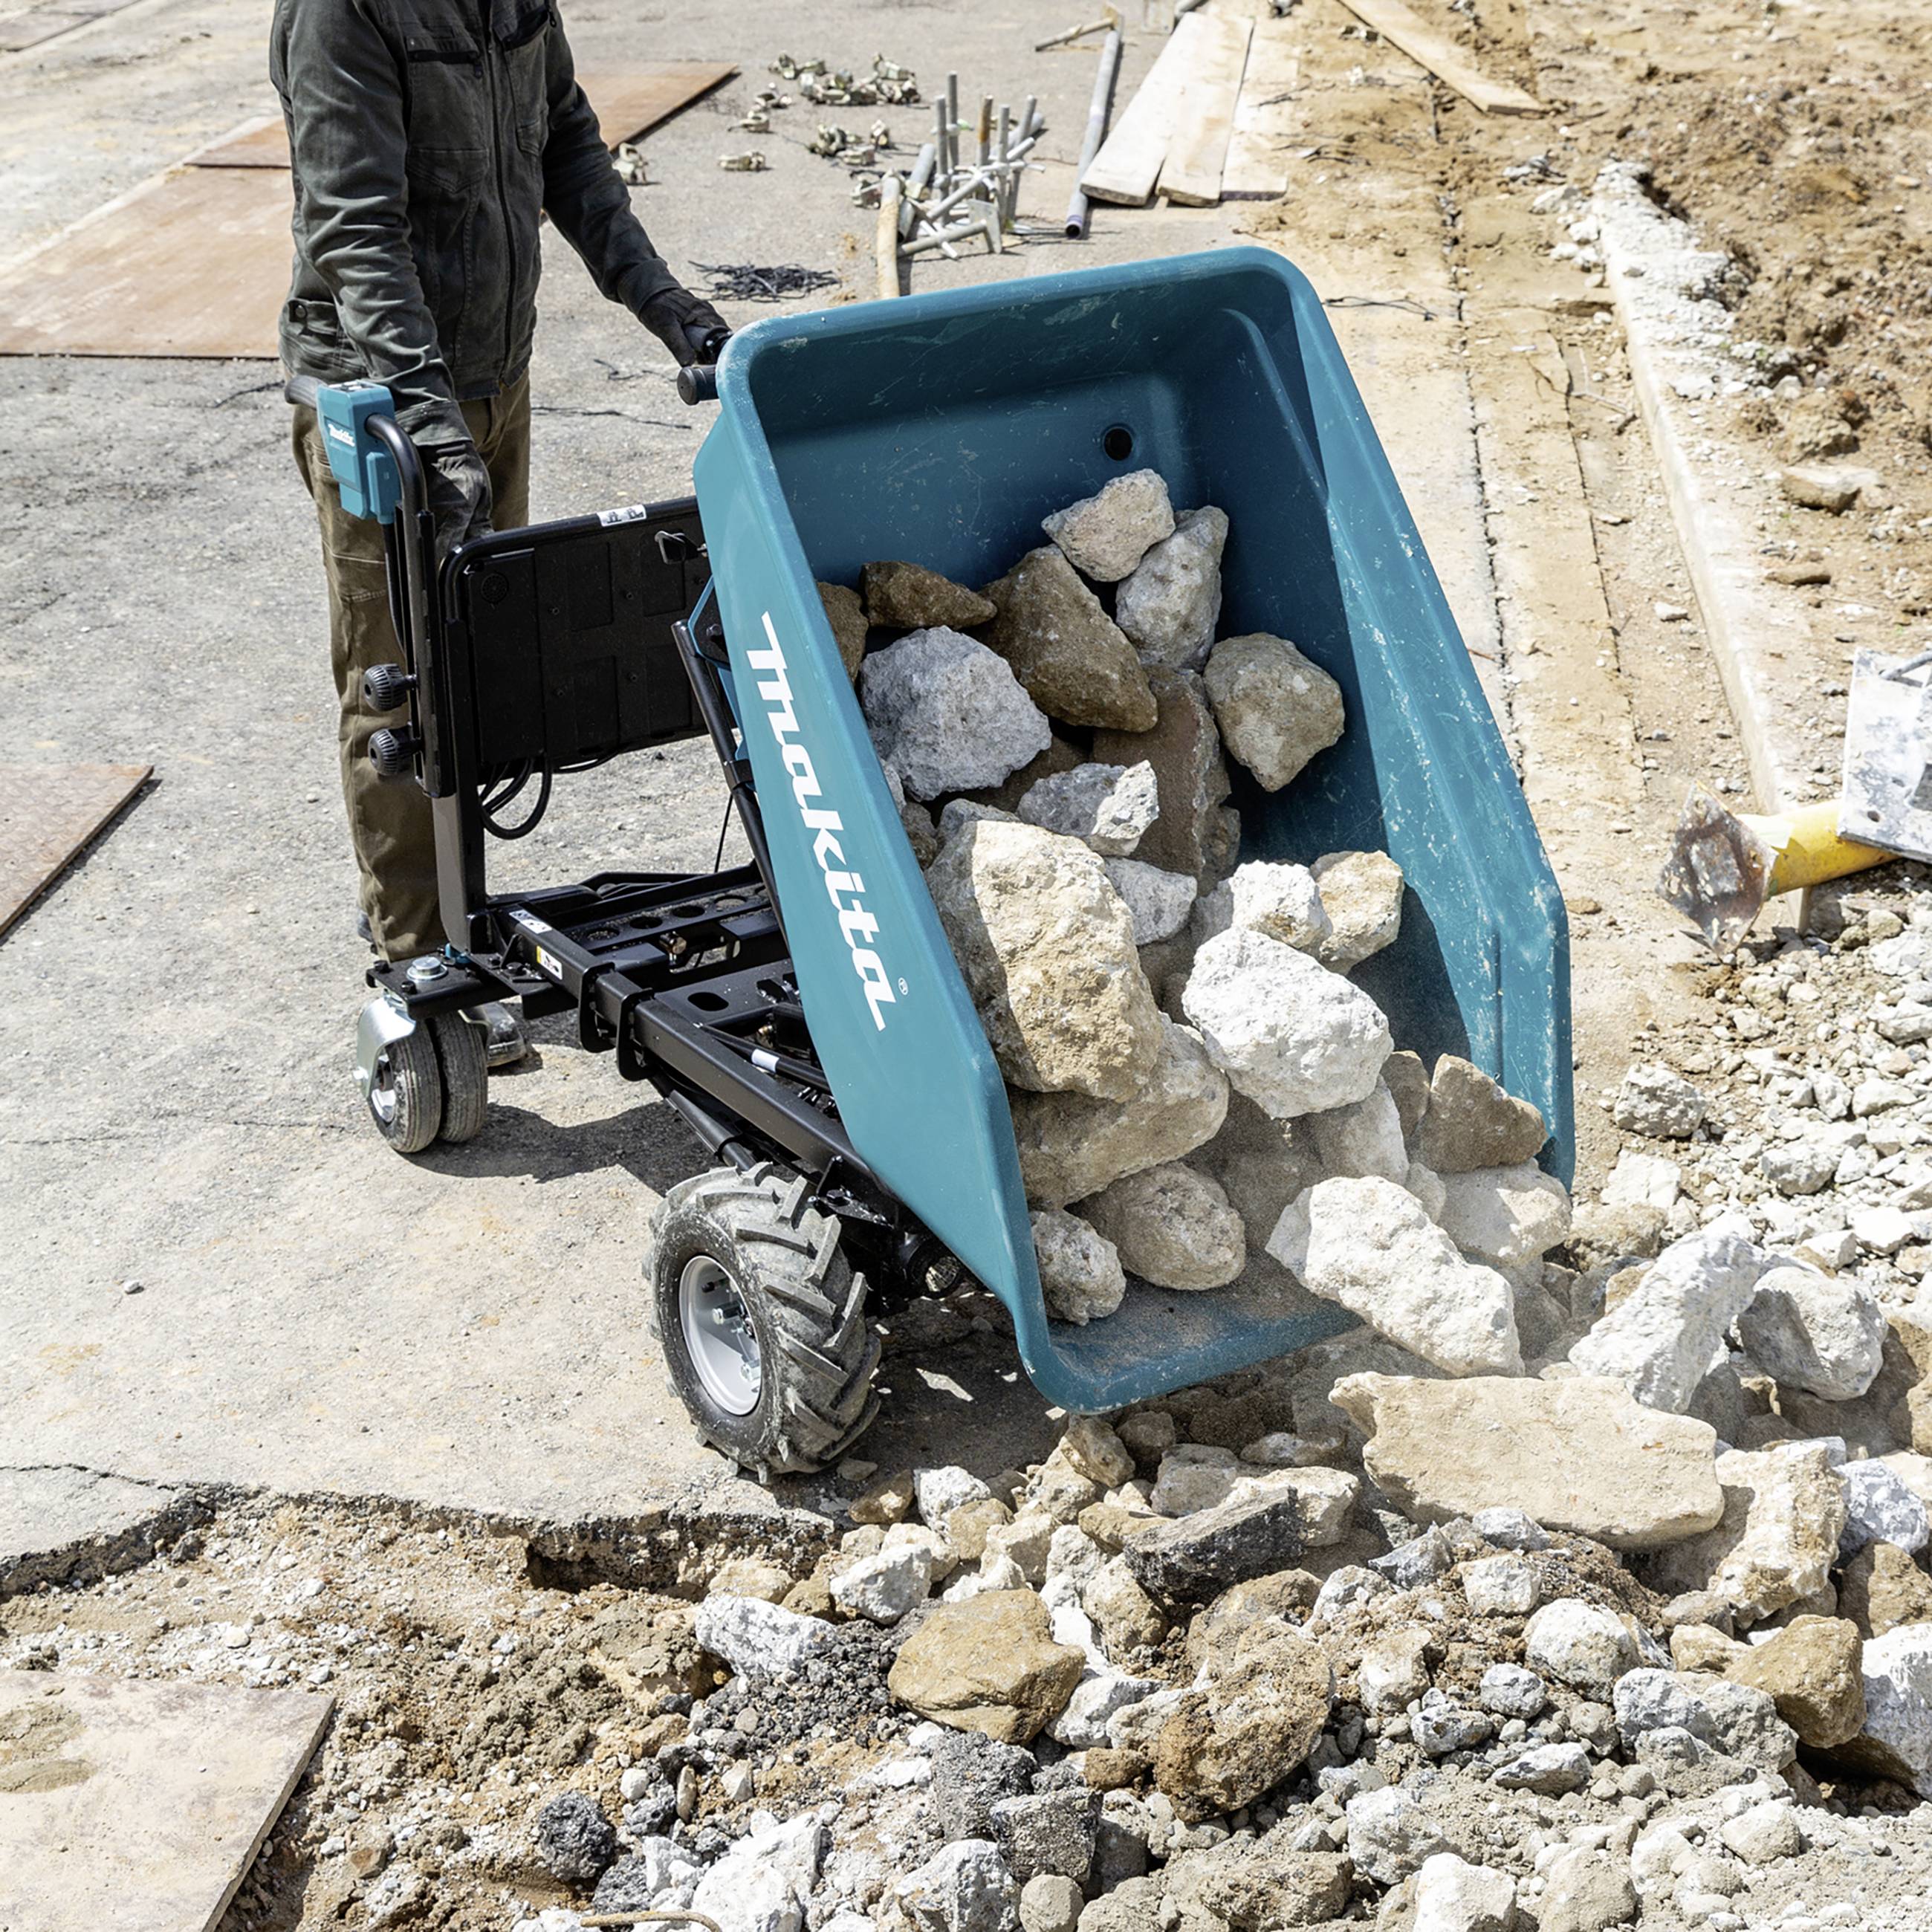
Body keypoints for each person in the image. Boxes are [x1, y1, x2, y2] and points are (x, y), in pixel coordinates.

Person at [270, 0, 727, 1044]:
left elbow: (568, 145)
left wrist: (666, 306)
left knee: (481, 670)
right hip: (381, 399)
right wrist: (429, 425)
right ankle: (416, 955)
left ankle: (453, 915)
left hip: (489, 375)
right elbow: (354, 226)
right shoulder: (344, 14)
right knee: (403, 683)